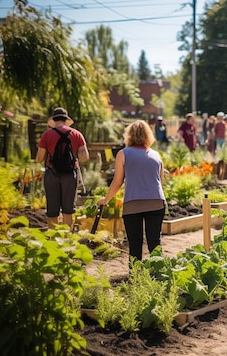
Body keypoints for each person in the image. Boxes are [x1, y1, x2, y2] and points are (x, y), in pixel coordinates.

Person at [98, 120, 166, 262]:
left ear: (129, 136)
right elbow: (161, 182)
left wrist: (106, 200)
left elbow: (117, 182)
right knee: (155, 243)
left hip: (133, 203)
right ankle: (159, 276)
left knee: (135, 245)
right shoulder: (156, 155)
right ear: (148, 135)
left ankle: (135, 278)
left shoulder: (123, 154)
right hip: (156, 203)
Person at [36, 107, 90, 229]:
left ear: (53, 120)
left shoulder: (46, 135)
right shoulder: (77, 134)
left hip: (52, 174)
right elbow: (84, 157)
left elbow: (39, 159)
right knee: (68, 209)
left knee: (52, 210)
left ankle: (54, 241)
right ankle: (67, 241)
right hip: (71, 175)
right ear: (66, 120)